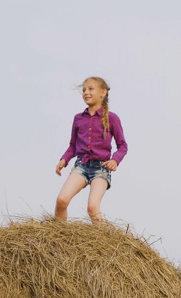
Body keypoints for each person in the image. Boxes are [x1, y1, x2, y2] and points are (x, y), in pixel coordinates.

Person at [54, 76, 128, 222]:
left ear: (103, 92)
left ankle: (106, 243)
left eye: (90, 89)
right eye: (84, 90)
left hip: (101, 168)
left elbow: (123, 146)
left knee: (93, 207)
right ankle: (58, 237)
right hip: (81, 166)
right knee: (62, 200)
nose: (86, 92)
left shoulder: (112, 118)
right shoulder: (78, 119)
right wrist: (64, 159)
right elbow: (73, 145)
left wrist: (115, 160)